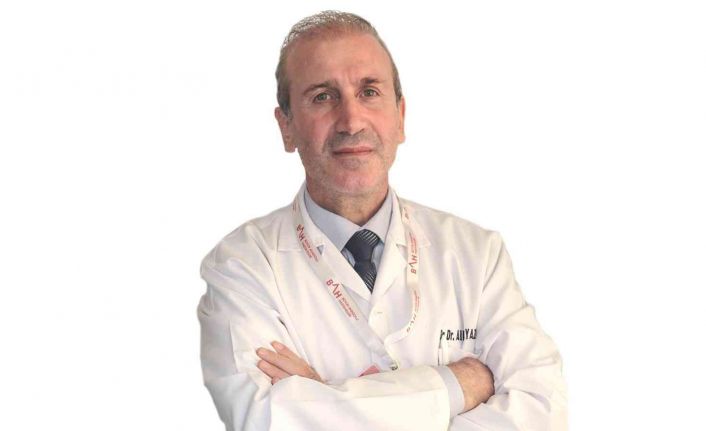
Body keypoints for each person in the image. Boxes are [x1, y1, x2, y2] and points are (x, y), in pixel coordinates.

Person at [198, 10, 567, 430]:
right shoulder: (242, 267)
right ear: (287, 128)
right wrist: (457, 386)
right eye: (323, 97)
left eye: (369, 92)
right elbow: (266, 419)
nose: (351, 120)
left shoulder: (477, 256)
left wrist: (321, 402)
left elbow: (542, 408)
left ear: (400, 117)